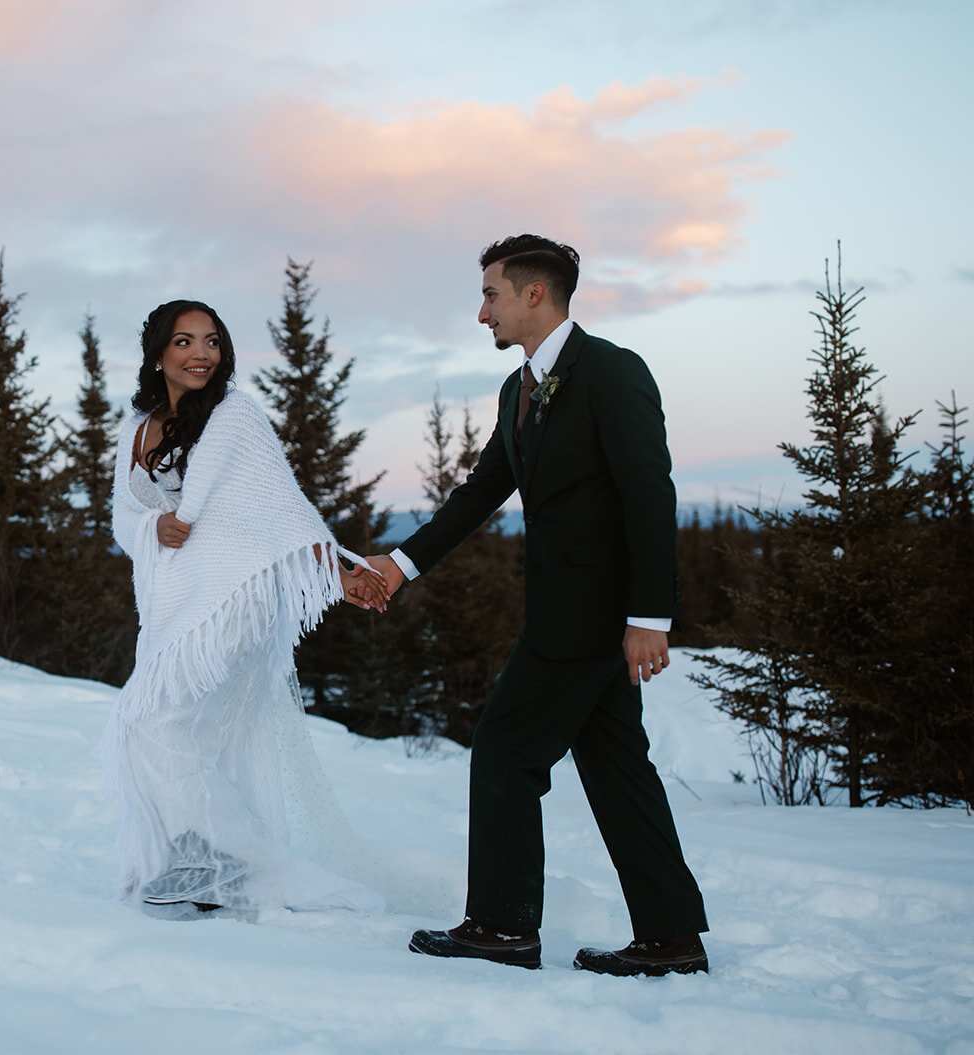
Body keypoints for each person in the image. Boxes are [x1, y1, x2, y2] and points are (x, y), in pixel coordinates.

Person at [362, 235, 710, 975]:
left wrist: (650, 615)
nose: (480, 310)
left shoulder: (613, 373)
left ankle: (502, 926)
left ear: (534, 294)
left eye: (490, 293)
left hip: (591, 617)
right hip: (564, 613)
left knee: (503, 751)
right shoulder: (517, 389)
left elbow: (650, 494)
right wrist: (400, 562)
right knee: (619, 772)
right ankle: (672, 936)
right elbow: (482, 491)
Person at [102, 298, 389, 918]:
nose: (202, 353)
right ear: (158, 354)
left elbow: (283, 509)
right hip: (177, 599)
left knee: (151, 721)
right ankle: (204, 856)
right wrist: (156, 528)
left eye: (212, 341)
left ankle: (228, 859)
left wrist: (336, 573)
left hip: (233, 596)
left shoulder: (234, 417)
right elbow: (125, 516)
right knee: (175, 728)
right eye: (184, 341)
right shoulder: (137, 427)